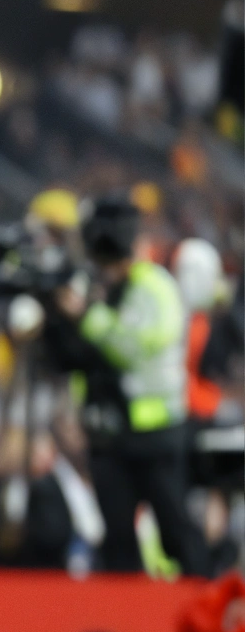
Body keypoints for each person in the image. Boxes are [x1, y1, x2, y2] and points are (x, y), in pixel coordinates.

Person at [48, 195, 206, 577]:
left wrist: (86, 315)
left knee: (175, 531)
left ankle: (204, 597)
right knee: (117, 539)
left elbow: (130, 347)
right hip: (110, 435)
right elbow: (80, 358)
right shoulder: (97, 288)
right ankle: (124, 611)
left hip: (157, 433)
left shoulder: (155, 287)